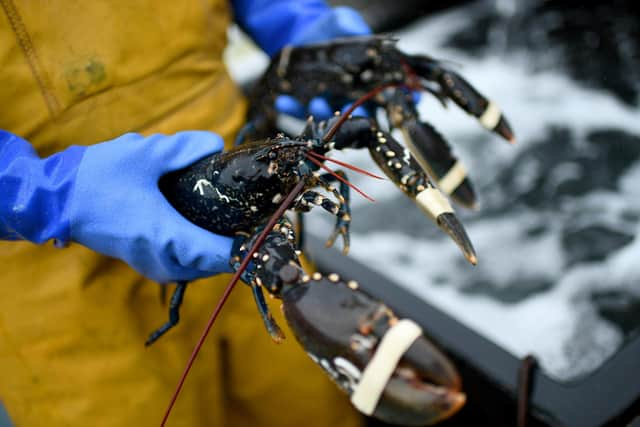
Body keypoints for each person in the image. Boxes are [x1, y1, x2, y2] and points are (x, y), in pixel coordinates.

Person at [0, 1, 371, 425]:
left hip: (252, 217)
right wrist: (44, 193)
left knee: (311, 406)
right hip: (51, 270)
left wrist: (298, 23)